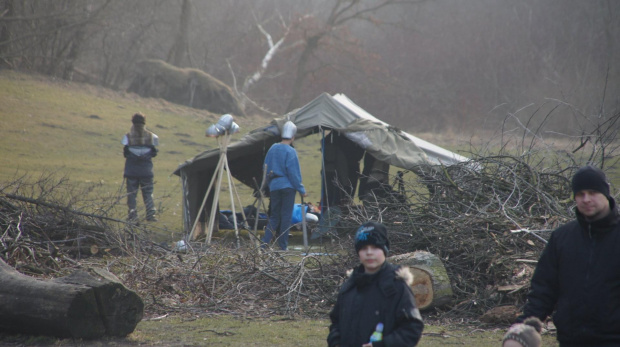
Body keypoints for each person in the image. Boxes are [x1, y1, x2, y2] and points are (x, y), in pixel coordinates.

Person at [516, 165, 620, 346]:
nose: (586, 199)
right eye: (580, 194)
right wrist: (522, 329)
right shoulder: (562, 238)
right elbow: (543, 290)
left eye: (592, 192)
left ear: (606, 194)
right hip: (571, 340)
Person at [327, 221, 424, 347]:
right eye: (364, 248)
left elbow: (412, 328)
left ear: (384, 250)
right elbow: (336, 322)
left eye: (375, 247)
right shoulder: (350, 286)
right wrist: (335, 343)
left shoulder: (396, 286)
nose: (369, 253)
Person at [261, 121, 307, 250]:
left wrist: (269, 183)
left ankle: (264, 244)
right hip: (287, 187)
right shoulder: (291, 151)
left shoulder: (273, 148)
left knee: (274, 216)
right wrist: (301, 189)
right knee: (286, 216)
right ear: (292, 137)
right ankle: (283, 246)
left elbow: (265, 168)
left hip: (274, 186)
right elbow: (293, 173)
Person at [122, 112, 159, 222]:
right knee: (148, 193)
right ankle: (150, 215)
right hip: (146, 171)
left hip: (131, 171)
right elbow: (154, 153)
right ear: (144, 122)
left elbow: (125, 153)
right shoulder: (152, 137)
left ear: (132, 122)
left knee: (132, 195)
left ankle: (132, 215)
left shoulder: (127, 137)